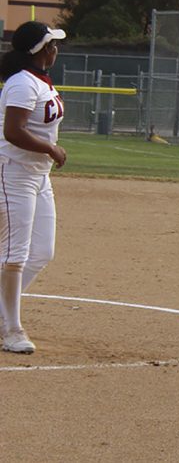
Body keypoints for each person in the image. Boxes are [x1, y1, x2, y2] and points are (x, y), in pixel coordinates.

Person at [0, 21, 67, 354]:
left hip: (38, 176)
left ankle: (2, 312)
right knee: (14, 256)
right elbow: (13, 131)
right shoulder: (22, 84)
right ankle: (11, 329)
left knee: (42, 252)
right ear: (42, 50)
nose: (56, 48)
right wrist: (50, 148)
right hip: (14, 174)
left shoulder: (41, 80)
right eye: (52, 43)